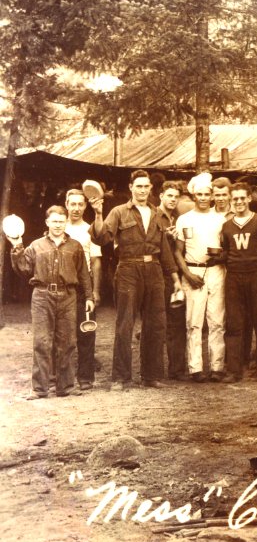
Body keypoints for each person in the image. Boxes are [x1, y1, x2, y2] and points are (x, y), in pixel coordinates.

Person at [91, 170, 182, 390]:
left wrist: (175, 279)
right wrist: (97, 214)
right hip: (128, 269)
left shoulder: (158, 214)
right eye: (138, 186)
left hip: (154, 270)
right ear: (131, 187)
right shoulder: (119, 212)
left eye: (146, 186)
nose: (142, 190)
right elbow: (101, 237)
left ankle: (151, 375)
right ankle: (121, 377)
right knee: (125, 324)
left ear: (151, 189)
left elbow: (165, 251)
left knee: (156, 324)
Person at [10, 206, 95, 399]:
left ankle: (65, 387)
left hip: (68, 297)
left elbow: (83, 274)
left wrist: (89, 297)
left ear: (65, 222)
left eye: (61, 221)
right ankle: (39, 388)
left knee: (67, 342)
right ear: (47, 223)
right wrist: (17, 247)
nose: (58, 225)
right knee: (42, 341)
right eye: (54, 221)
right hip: (42, 296)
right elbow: (23, 269)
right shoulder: (35, 245)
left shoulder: (75, 246)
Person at [220, 182, 257, 382]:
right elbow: (226, 251)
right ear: (230, 200)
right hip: (234, 276)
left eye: (242, 198)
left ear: (250, 198)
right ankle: (234, 369)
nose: (239, 202)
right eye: (235, 199)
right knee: (234, 322)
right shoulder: (226, 226)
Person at [175, 174, 227, 382]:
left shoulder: (220, 219)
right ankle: (195, 367)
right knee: (194, 322)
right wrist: (187, 274)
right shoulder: (184, 219)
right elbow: (178, 251)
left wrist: (220, 258)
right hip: (193, 272)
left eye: (207, 194)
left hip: (216, 271)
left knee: (216, 320)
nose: (203, 198)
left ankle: (217, 366)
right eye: (199, 194)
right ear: (193, 195)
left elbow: (226, 248)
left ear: (212, 196)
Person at [64, 189, 102, 391]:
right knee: (63, 333)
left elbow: (96, 262)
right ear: (66, 204)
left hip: (84, 287)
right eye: (73, 204)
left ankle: (85, 377)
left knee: (86, 331)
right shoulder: (59, 227)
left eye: (80, 204)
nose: (76, 208)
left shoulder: (90, 230)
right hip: (64, 287)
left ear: (85, 206)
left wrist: (95, 291)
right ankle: (63, 376)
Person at [157, 181, 187, 380]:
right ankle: (154, 370)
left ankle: (176, 369)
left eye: (176, 196)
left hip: (173, 275)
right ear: (161, 196)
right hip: (156, 274)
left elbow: (178, 251)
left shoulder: (177, 219)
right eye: (169, 195)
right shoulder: (153, 216)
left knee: (176, 322)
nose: (173, 200)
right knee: (157, 323)